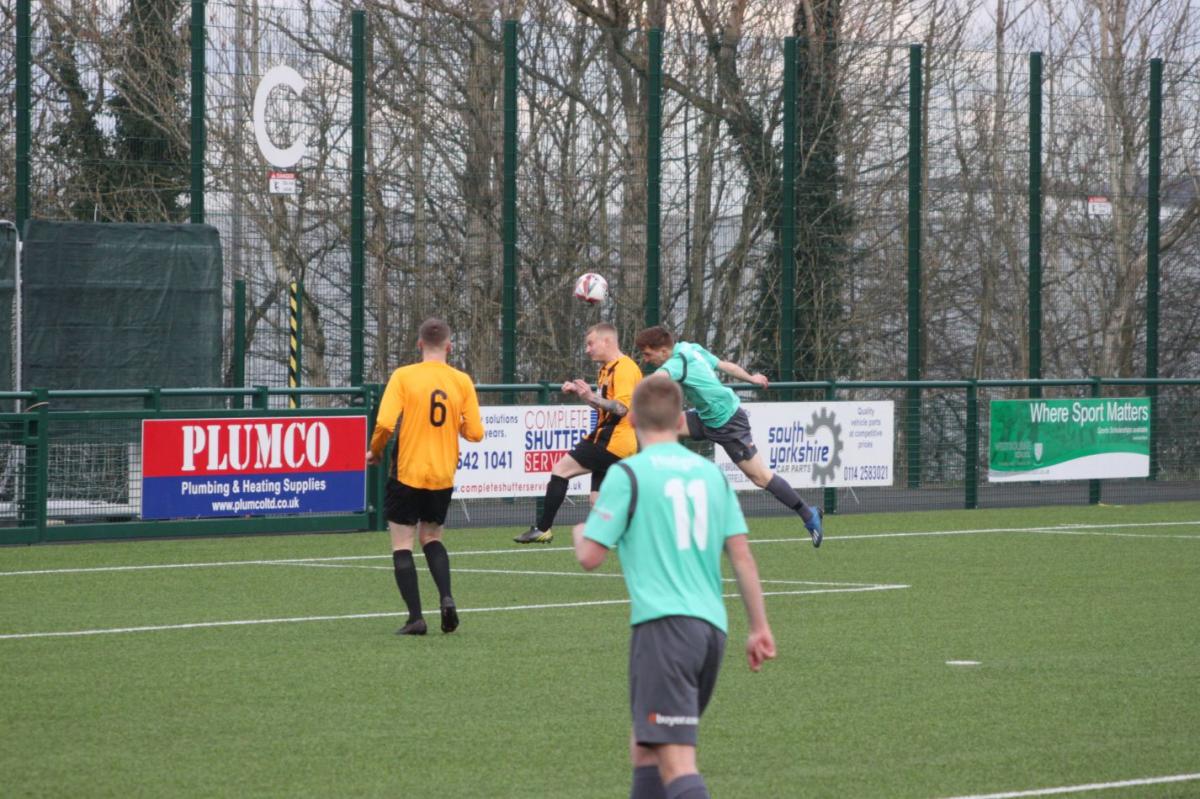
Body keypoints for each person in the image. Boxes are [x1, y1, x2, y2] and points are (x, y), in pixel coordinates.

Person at [573, 375, 776, 799]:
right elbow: (741, 556)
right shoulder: (710, 475)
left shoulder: (628, 473)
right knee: (646, 747)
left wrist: (580, 532)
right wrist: (759, 627)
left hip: (665, 629)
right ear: (681, 419)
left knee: (676, 761)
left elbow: (590, 556)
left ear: (633, 421)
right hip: (711, 631)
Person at [633, 325, 824, 547]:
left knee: (760, 477)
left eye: (648, 354)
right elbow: (725, 366)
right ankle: (658, 501)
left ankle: (808, 514)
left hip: (728, 422)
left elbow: (658, 378)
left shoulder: (677, 362)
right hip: (706, 417)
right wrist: (752, 378)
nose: (646, 359)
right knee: (657, 429)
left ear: (664, 351)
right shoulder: (689, 348)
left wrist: (633, 393)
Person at [366, 318, 484, 636]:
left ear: (419, 344)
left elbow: (385, 423)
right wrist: (456, 424)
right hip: (442, 474)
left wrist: (375, 451)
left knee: (402, 544)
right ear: (449, 347)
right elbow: (476, 432)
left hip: (408, 472)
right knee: (432, 538)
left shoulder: (404, 376)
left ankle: (416, 618)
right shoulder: (461, 381)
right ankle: (446, 597)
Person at [514, 322, 642, 544]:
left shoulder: (624, 368)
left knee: (561, 470)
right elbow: (605, 407)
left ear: (607, 341)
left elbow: (622, 409)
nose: (587, 349)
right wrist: (583, 394)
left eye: (590, 344)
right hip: (612, 440)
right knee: (597, 500)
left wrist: (591, 396)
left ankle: (543, 528)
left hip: (612, 441)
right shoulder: (606, 369)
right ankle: (633, 535)